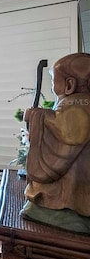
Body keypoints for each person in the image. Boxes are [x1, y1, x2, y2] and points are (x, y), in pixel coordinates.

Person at [21, 53, 90, 232]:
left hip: (75, 183)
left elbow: (67, 132)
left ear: (69, 85)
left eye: (53, 81)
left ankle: (65, 208)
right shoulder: (74, 105)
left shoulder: (78, 107)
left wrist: (36, 116)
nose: (52, 87)